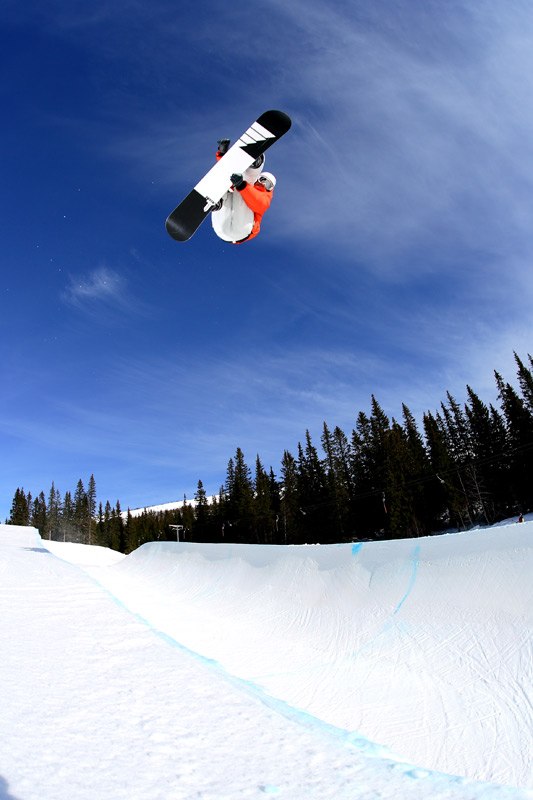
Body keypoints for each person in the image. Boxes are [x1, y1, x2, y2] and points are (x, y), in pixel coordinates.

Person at [211, 138, 276, 244]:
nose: (263, 184)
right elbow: (226, 174)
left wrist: (242, 185)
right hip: (221, 228)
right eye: (263, 179)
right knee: (228, 184)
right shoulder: (247, 184)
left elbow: (258, 202)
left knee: (244, 189)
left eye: (268, 184)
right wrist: (222, 154)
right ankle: (218, 203)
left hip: (242, 230)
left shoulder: (265, 198)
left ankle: (254, 165)